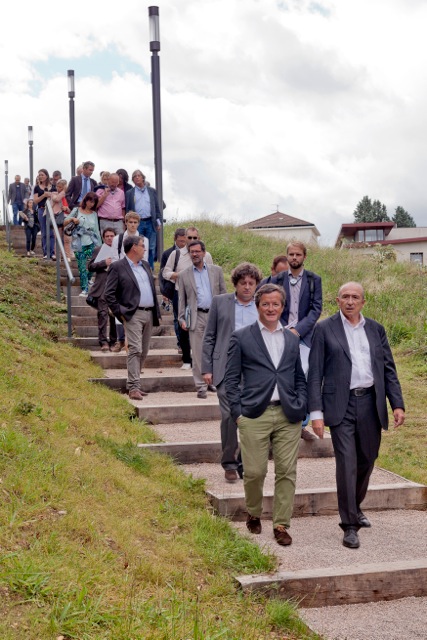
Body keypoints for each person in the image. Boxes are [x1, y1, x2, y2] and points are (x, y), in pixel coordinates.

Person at [308, 282, 405, 549]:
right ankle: (349, 524)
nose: (350, 301)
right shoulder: (324, 329)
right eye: (345, 297)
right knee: (347, 463)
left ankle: (355, 505)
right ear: (337, 300)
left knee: (367, 459)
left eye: (355, 297)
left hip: (371, 404)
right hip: (341, 405)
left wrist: (397, 404)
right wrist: (315, 413)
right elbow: (314, 373)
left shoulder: (375, 329)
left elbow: (388, 370)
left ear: (363, 302)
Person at [225, 284, 307, 545]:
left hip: (287, 414)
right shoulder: (242, 337)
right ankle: (253, 512)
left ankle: (281, 524)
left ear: (282, 307)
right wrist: (237, 413)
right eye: (266, 304)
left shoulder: (292, 338)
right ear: (258, 306)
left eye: (276, 304)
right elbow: (230, 380)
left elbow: (299, 377)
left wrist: (301, 404)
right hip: (253, 414)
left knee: (286, 470)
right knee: (255, 471)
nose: (271, 309)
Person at [202, 262, 262, 482]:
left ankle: (246, 463)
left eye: (251, 283)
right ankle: (229, 461)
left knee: (251, 416)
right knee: (229, 416)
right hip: (225, 367)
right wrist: (206, 367)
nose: (247, 287)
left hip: (254, 369)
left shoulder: (262, 305)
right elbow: (209, 336)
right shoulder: (220, 302)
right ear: (235, 284)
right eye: (243, 283)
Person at [270, 241, 322, 441]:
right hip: (281, 334)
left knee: (306, 376)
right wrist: (284, 330)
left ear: (304, 257)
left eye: (298, 254)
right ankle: (281, 422)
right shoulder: (278, 279)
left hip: (305, 336)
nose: (294, 258)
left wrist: (298, 331)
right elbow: (272, 305)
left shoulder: (313, 279)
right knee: (283, 376)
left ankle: (302, 423)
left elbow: (316, 309)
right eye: (291, 254)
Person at [104, 236, 161, 400]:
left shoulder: (145, 265)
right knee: (135, 349)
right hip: (132, 313)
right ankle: (133, 387)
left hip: (149, 312)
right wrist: (120, 312)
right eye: (143, 245)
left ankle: (134, 383)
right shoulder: (117, 267)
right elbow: (109, 294)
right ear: (134, 248)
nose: (145, 248)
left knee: (144, 350)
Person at [178, 240, 226, 398]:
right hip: (196, 316)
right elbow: (182, 300)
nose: (195, 254)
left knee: (215, 350)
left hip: (215, 315)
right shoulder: (185, 275)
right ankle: (200, 386)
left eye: (198, 251)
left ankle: (212, 381)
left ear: (204, 253)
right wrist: (181, 318)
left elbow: (224, 294)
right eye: (192, 252)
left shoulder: (216, 271)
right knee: (198, 352)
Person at [163, 226, 213, 370]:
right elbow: (165, 272)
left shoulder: (206, 255)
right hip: (182, 293)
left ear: (199, 238)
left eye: (194, 238)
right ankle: (186, 359)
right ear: (185, 238)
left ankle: (203, 360)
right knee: (184, 325)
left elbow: (211, 273)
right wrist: (179, 276)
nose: (191, 240)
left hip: (202, 295)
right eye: (189, 237)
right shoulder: (176, 254)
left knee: (204, 327)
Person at [109, 211, 148, 353]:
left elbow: (145, 260)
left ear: (138, 223)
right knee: (120, 309)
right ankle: (120, 340)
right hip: (122, 275)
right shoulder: (118, 239)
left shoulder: (144, 240)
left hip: (137, 277)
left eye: (135, 222)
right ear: (125, 222)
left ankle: (135, 341)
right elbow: (114, 258)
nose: (132, 225)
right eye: (130, 222)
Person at [64, 192, 101, 296]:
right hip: (79, 241)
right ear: (86, 200)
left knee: (93, 263)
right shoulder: (76, 210)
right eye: (90, 201)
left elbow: (96, 230)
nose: (91, 204)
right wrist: (72, 219)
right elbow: (65, 221)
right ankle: (84, 289)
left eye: (93, 202)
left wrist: (100, 244)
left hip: (91, 240)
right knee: (81, 266)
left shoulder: (94, 214)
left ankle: (89, 278)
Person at [125, 170, 162, 270]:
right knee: (136, 245)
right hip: (138, 222)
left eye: (139, 176)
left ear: (143, 177)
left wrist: (158, 222)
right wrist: (128, 223)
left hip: (150, 221)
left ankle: (150, 268)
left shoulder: (151, 191)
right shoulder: (130, 193)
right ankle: (137, 267)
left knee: (150, 246)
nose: (137, 178)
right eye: (134, 176)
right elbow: (128, 209)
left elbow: (157, 208)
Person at [88, 228, 117, 352]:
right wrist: (104, 263)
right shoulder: (98, 250)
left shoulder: (119, 250)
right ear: (104, 238)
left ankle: (114, 341)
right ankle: (103, 341)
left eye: (112, 236)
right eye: (107, 236)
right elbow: (90, 266)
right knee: (103, 315)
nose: (110, 238)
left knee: (115, 316)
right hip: (102, 287)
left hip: (116, 287)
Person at [159, 228, 187, 352]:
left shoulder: (190, 252)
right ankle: (180, 343)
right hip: (173, 288)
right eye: (180, 241)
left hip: (188, 290)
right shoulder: (167, 253)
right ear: (175, 239)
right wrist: (165, 292)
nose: (183, 243)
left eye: (184, 241)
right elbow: (163, 273)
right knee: (177, 317)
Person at [33, 169, 55, 260]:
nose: (40, 176)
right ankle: (46, 252)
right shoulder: (37, 187)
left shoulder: (53, 187)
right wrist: (44, 195)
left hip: (52, 210)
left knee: (51, 232)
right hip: (42, 210)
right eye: (39, 175)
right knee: (44, 232)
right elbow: (35, 201)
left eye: (42, 175)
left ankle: (52, 252)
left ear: (46, 175)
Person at [51, 179, 72, 261]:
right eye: (58, 186)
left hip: (66, 218)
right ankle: (58, 256)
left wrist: (66, 208)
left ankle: (67, 256)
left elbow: (70, 210)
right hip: (57, 218)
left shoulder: (67, 196)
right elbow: (56, 199)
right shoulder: (54, 194)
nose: (58, 188)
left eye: (61, 187)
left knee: (67, 239)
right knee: (58, 238)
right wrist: (63, 191)